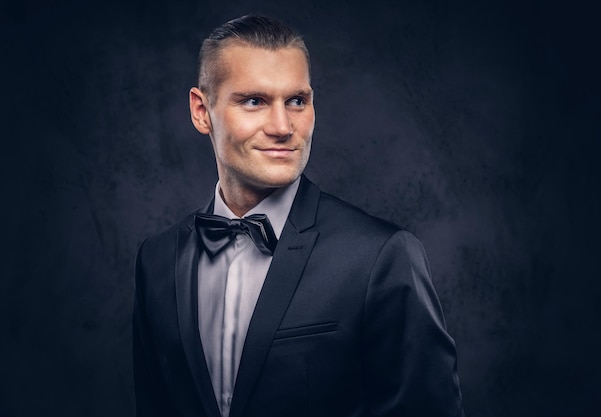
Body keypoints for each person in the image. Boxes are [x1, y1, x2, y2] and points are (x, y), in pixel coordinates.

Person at [133, 14, 464, 417]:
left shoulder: (382, 256)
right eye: (254, 101)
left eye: (296, 101)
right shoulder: (156, 259)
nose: (283, 126)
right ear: (201, 111)